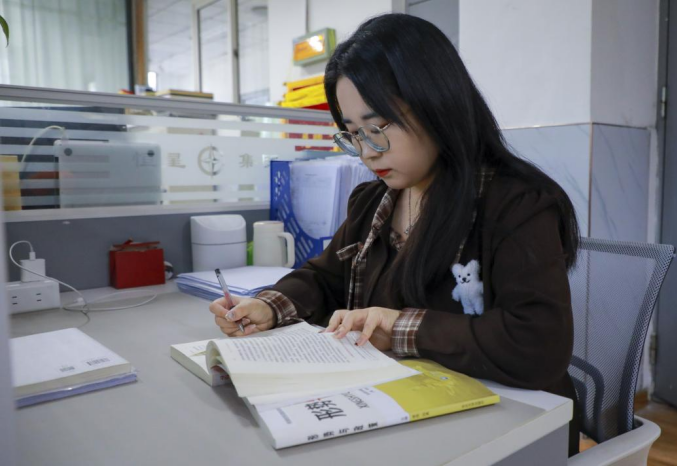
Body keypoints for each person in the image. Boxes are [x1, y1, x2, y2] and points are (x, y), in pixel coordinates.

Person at [209, 13, 582, 455]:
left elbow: (538, 344)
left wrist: (398, 325)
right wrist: (269, 307)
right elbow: (325, 279)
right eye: (353, 134)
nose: (367, 153)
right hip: (402, 416)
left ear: (435, 104)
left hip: (507, 430)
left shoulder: (516, 204)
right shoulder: (372, 202)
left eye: (378, 128)